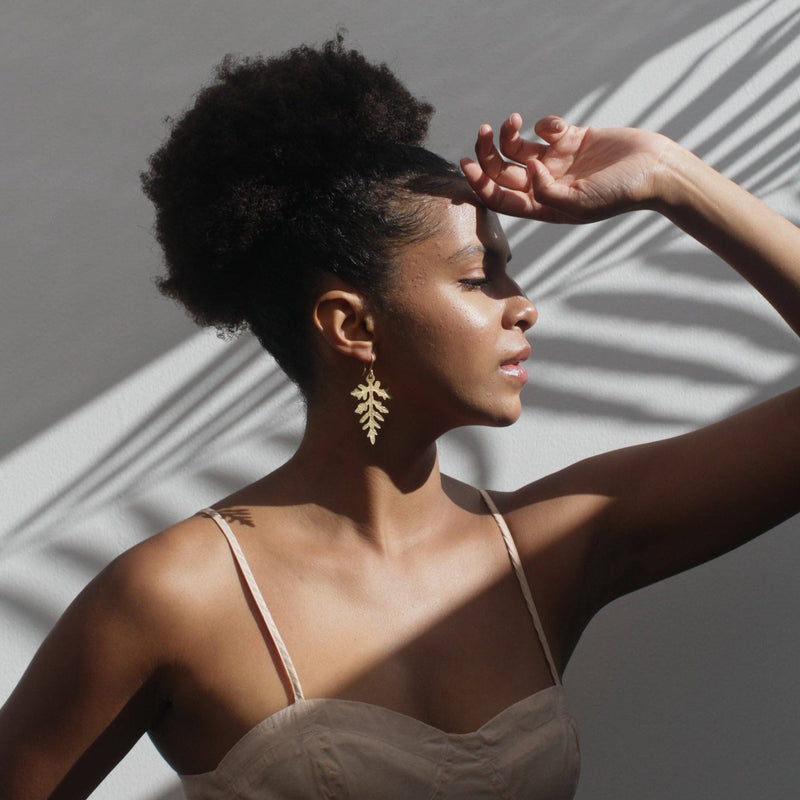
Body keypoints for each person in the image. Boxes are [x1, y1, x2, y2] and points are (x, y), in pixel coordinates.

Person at [0, 37, 798, 800]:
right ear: (351, 325)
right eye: (479, 277)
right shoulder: (171, 597)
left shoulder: (549, 551)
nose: (522, 307)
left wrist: (673, 177)